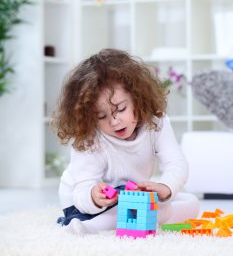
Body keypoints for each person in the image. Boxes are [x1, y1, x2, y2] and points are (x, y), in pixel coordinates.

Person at [52, 48, 199, 235]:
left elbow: (176, 163)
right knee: (136, 214)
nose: (114, 121)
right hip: (83, 204)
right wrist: (94, 197)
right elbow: (82, 189)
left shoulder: (156, 124)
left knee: (190, 203)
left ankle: (145, 218)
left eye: (120, 109)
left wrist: (165, 188)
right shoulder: (90, 139)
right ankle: (85, 227)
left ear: (137, 98)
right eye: (101, 116)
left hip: (130, 198)